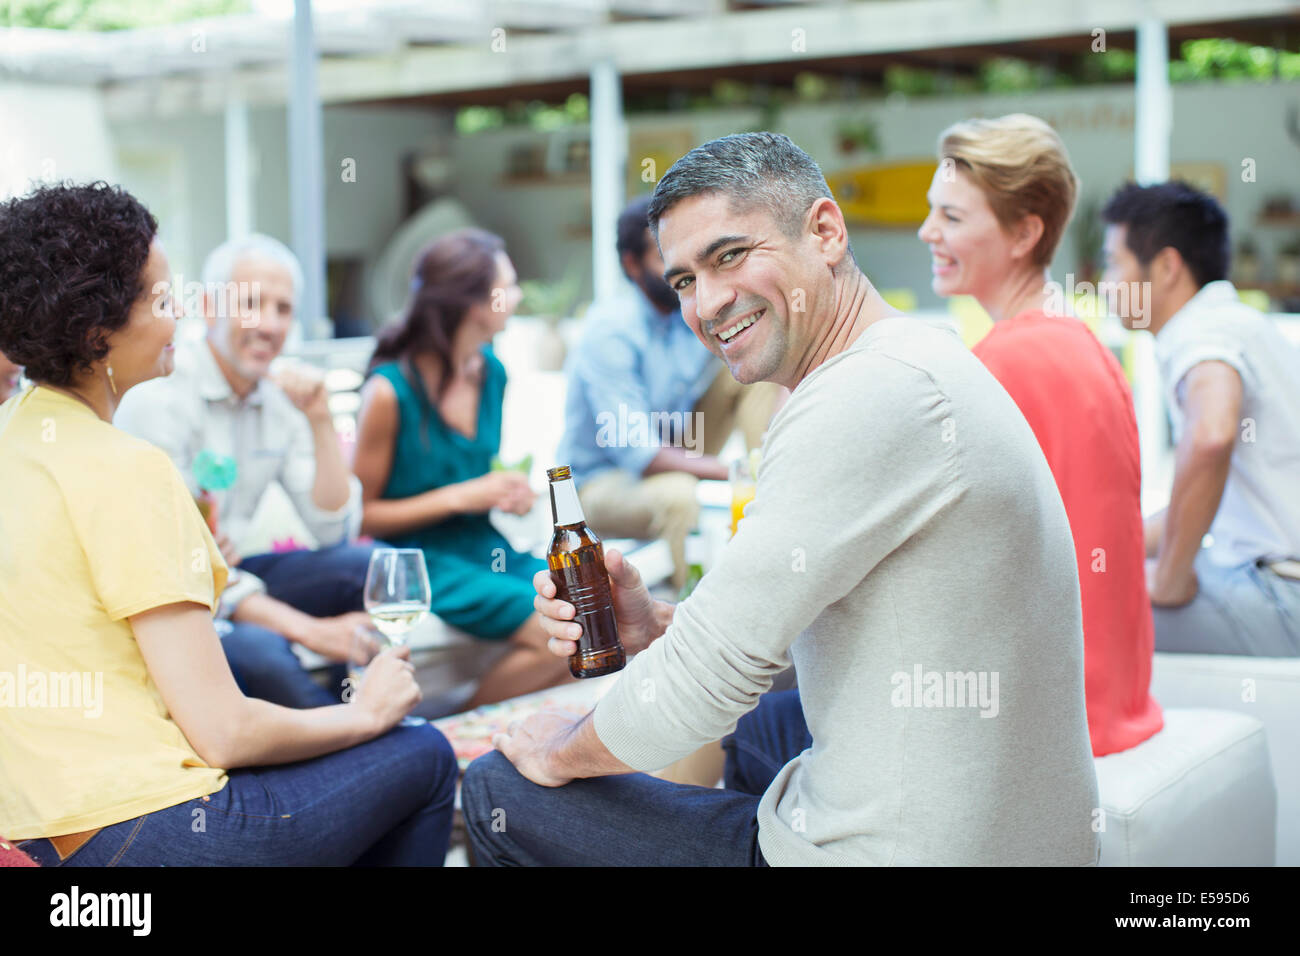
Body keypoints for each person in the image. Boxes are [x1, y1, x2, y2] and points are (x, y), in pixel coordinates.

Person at [461, 132, 1100, 866]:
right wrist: (661, 627)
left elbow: (704, 686)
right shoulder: (911, 357)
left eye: (730, 255)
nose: (707, 303)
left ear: (826, 231)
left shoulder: (864, 397)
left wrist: (561, 751)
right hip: (1017, 832)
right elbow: (795, 635)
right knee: (761, 733)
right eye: (684, 281)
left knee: (497, 788)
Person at [0, 182, 456, 866]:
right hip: (139, 831)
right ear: (98, 329)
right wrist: (365, 712)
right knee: (423, 751)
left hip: (35, 824)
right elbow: (223, 733)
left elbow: (332, 526)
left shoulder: (16, 436)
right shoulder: (129, 467)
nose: (179, 310)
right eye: (161, 297)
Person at [915, 114, 1163, 756]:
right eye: (931, 212)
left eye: (952, 217)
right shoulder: (1087, 346)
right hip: (1114, 702)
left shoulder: (998, 366)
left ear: (1025, 232)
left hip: (1042, 722)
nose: (927, 231)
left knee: (753, 730)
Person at [115, 234, 379, 709]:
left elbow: (332, 528)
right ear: (211, 308)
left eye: (283, 308)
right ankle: (349, 747)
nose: (269, 325)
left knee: (365, 568)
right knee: (263, 652)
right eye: (251, 303)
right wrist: (313, 632)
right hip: (176, 594)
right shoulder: (162, 396)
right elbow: (185, 560)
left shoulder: (282, 396)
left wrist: (320, 420)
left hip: (231, 575)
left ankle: (358, 709)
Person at [353, 228, 571, 708]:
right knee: (557, 631)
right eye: (508, 286)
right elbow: (361, 517)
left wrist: (510, 494)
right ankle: (459, 735)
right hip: (417, 564)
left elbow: (478, 477)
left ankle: (493, 731)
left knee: (591, 603)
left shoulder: (493, 372)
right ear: (475, 303)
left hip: (486, 547)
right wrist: (463, 496)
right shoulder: (389, 393)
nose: (516, 296)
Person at [1102, 181, 1300, 656]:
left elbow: (1212, 436)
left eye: (1113, 263)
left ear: (1167, 266)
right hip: (1274, 580)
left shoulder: (1201, 330)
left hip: (1281, 593)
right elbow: (1200, 503)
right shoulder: (1234, 322)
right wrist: (1101, 545)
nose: (1103, 283)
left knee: (1086, 618)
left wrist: (1170, 576)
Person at [559, 196, 783, 591]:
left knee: (755, 370)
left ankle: (773, 491)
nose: (683, 269)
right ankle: (694, 617)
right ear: (631, 264)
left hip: (677, 439)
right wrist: (734, 471)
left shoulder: (689, 307)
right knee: (677, 496)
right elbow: (639, 454)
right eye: (665, 256)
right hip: (602, 481)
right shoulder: (612, 330)